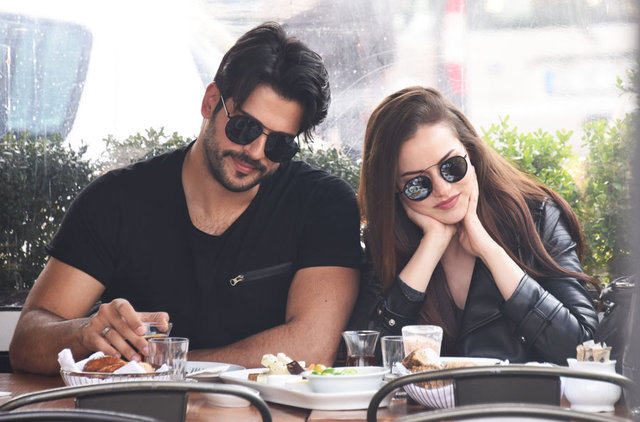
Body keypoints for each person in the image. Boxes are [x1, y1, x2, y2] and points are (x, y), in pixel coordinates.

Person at [10, 22, 362, 375]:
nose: (255, 152)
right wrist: (84, 333)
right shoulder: (116, 200)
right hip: (142, 406)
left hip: (263, 408)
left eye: (279, 144)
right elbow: (26, 343)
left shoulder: (322, 205)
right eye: (245, 127)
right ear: (210, 102)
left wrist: (162, 369)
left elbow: (311, 349)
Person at [351, 86, 598, 365]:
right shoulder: (384, 241)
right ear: (394, 191)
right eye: (417, 184)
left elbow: (583, 352)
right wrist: (430, 248)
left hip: (526, 394)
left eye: (451, 167)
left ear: (470, 153)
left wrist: (491, 252)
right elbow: (365, 360)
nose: (443, 190)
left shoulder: (537, 217)